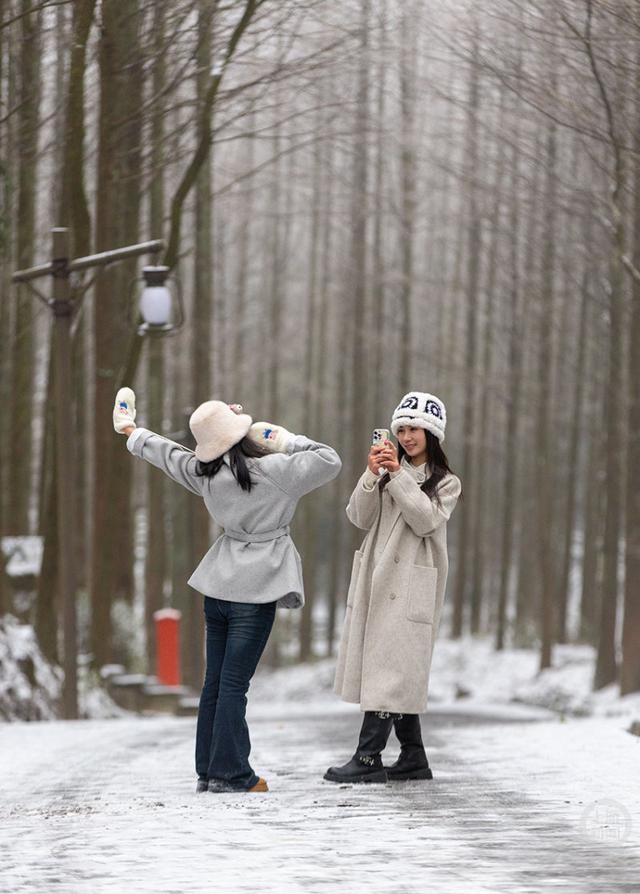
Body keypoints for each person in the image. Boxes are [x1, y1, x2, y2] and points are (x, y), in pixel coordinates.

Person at [113, 387, 342, 793]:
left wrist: (133, 432)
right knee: (235, 686)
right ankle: (233, 774)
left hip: (218, 589)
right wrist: (288, 441)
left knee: (215, 684)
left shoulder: (205, 476)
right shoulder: (276, 471)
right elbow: (329, 460)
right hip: (256, 592)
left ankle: (207, 770)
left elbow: (170, 455)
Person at [325, 391, 462, 784]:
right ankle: (414, 758)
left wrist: (398, 476)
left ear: (431, 432)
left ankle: (368, 759)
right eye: (401, 429)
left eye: (414, 428)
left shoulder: (446, 482)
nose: (406, 436)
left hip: (411, 586)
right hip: (377, 579)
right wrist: (372, 475)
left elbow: (424, 519)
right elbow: (358, 516)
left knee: (390, 671)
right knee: (395, 670)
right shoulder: (387, 472)